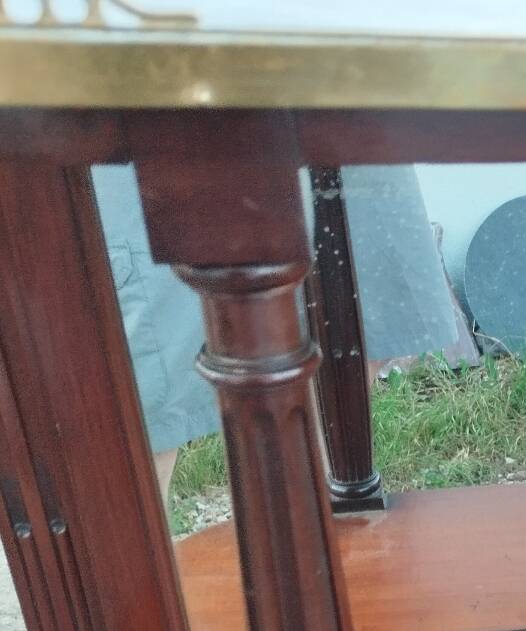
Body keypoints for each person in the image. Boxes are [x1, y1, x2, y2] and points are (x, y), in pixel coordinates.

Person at [92, 164, 476, 509]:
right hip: (155, 104)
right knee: (150, 377)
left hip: (329, 92)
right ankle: (126, 585)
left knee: (363, 300)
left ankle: (313, 534)